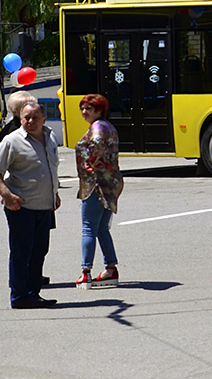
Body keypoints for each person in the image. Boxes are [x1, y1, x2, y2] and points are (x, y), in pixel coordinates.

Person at [0, 101, 61, 309]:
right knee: (22, 253)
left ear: (44, 119)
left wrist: (53, 193)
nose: (31, 121)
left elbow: (50, 168)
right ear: (20, 119)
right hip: (21, 208)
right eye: (26, 117)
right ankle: (19, 296)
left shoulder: (50, 137)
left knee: (39, 252)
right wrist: (6, 194)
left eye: (35, 117)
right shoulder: (12, 141)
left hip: (44, 207)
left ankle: (33, 293)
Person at [74, 93, 124, 285]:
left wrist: (90, 164)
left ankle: (85, 272)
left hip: (96, 184)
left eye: (89, 108)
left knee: (88, 228)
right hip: (110, 182)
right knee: (102, 228)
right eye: (83, 108)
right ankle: (111, 268)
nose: (84, 112)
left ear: (100, 110)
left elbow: (95, 146)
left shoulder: (98, 127)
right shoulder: (107, 126)